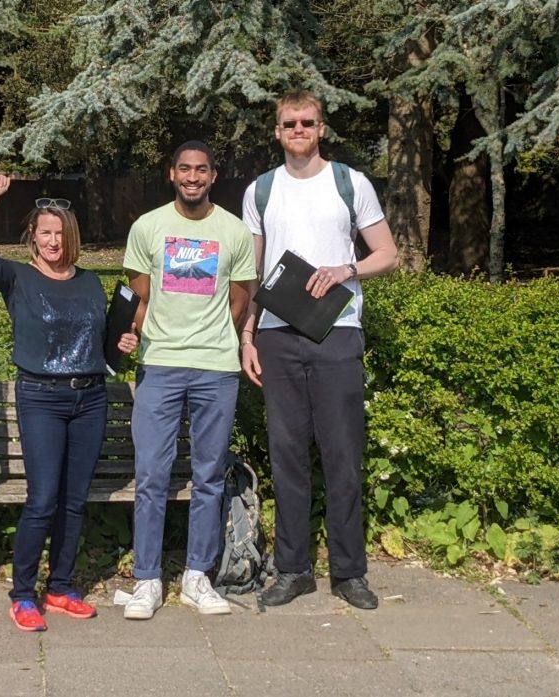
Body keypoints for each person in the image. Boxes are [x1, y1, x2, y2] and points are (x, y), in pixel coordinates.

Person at [241, 90, 399, 610]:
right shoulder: (260, 191)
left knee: (342, 455)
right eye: (290, 123)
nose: (299, 130)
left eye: (307, 121)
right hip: (278, 336)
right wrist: (248, 334)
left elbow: (388, 254)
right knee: (287, 456)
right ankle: (293, 569)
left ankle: (350, 573)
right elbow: (253, 273)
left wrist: (345, 269)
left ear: (322, 127)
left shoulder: (349, 183)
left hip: (338, 331)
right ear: (277, 131)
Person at [0, 175, 138, 632]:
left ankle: (60, 587)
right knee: (43, 499)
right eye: (45, 232)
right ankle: (23, 593)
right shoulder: (17, 278)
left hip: (90, 398)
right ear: (33, 237)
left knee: (75, 501)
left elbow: (101, 345)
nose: (53, 240)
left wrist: (121, 340)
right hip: (41, 398)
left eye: (60, 233)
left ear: (70, 237)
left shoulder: (89, 282)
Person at [122, 141, 257, 620]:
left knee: (208, 477)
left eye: (201, 169)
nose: (193, 176)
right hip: (159, 364)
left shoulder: (235, 232)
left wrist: (214, 334)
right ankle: (147, 579)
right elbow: (140, 288)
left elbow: (240, 298)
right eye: (185, 169)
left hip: (216, 368)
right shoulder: (149, 227)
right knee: (152, 477)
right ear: (171, 173)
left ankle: (198, 577)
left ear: (213, 176)